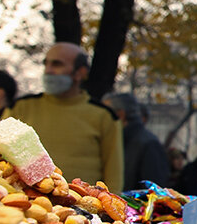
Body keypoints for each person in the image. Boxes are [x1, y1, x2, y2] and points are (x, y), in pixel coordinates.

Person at [9, 43, 122, 187]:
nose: (48, 70)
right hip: (26, 204)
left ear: (79, 73)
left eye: (57, 64)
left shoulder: (105, 116)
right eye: (46, 64)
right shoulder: (20, 107)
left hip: (83, 206)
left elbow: (114, 177)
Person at [103, 91, 171, 190]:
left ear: (120, 115)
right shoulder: (120, 140)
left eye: (105, 114)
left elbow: (154, 190)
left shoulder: (148, 144)